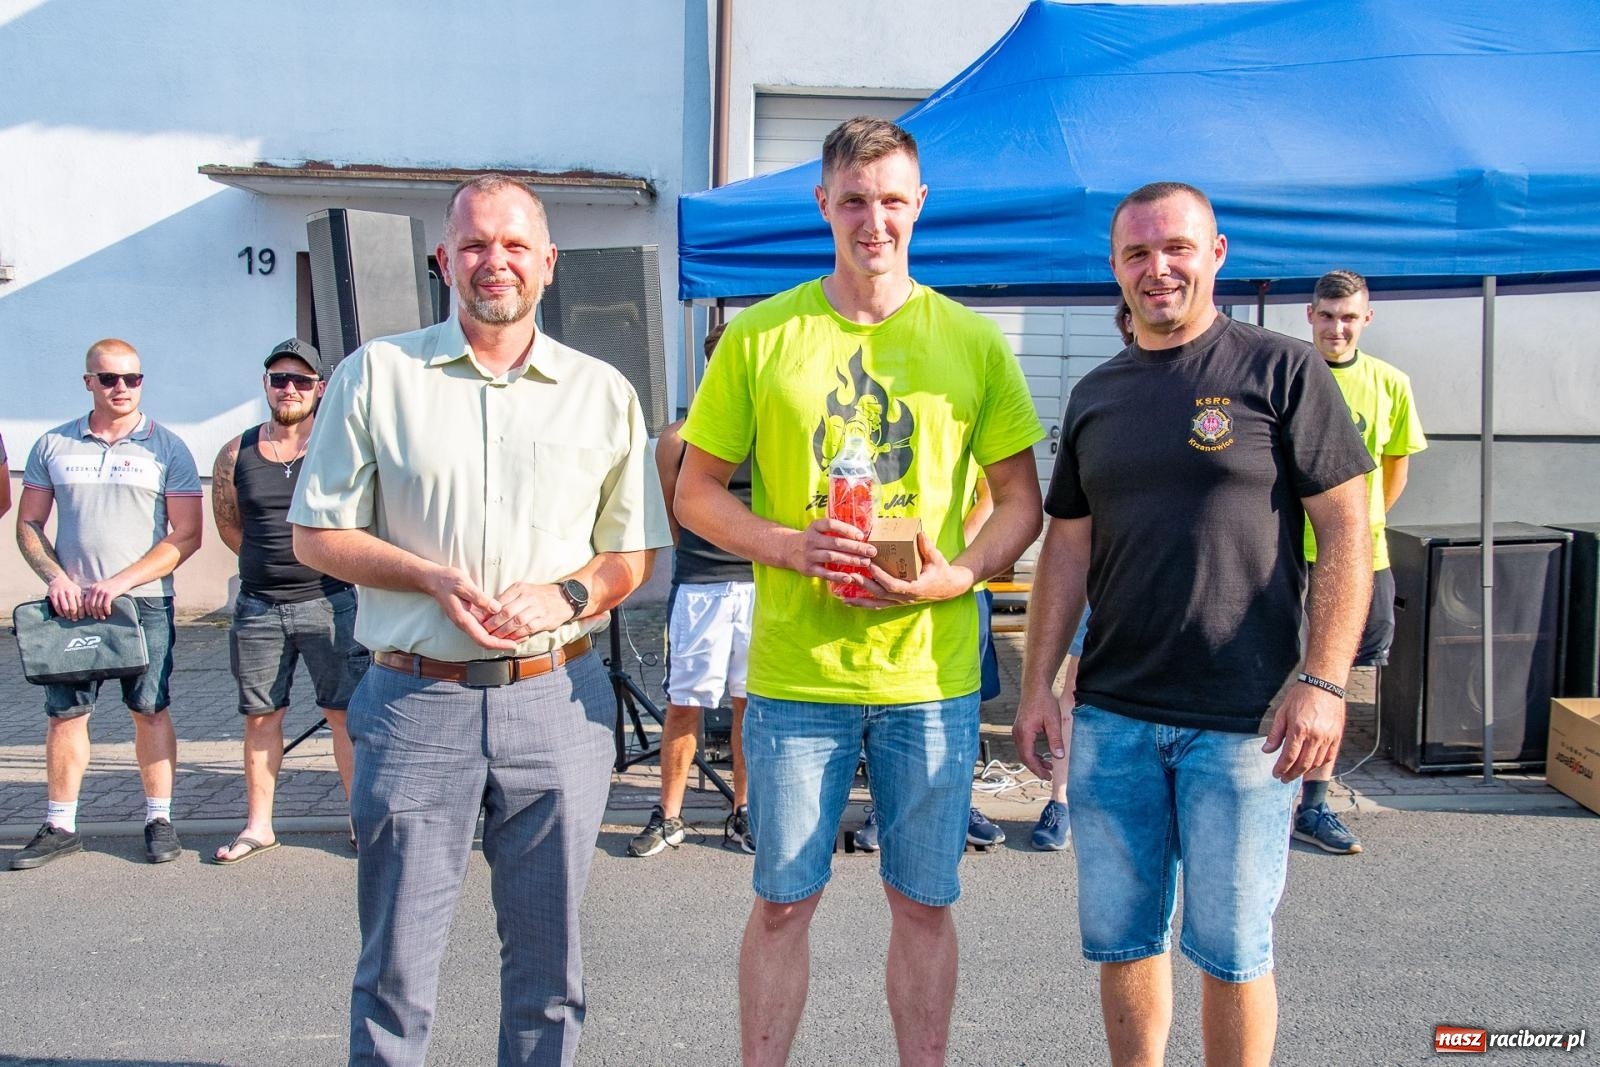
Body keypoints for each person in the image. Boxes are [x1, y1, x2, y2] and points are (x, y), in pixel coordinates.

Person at [675, 117, 1044, 1066]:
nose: (871, 220)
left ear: (919, 205)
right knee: (783, 900)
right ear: (823, 206)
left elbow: (1020, 502)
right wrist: (790, 546)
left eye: (890, 199)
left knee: (924, 903)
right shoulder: (762, 334)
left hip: (930, 676)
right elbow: (696, 491)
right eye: (852, 200)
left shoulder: (972, 340)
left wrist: (957, 576)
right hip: (799, 677)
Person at [288, 174, 670, 1066]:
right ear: (442, 260)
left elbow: (631, 555)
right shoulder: (376, 376)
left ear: (547, 263)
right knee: (395, 972)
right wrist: (424, 575)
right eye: (472, 245)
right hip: (417, 703)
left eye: (511, 245)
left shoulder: (602, 392)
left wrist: (567, 596)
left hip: (556, 701)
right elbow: (315, 534)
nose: (491, 261)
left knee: (550, 970)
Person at [1014, 182, 1374, 1066]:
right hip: (1114, 715)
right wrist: (1037, 685)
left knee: (1233, 948)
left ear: (1216, 254)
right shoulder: (1097, 394)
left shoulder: (1282, 370)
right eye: (1137, 254)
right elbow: (1067, 547)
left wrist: (1324, 680)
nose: (1157, 268)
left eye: (1176, 247)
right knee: (1124, 941)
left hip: (1246, 721)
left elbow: (1348, 531)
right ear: (1115, 268)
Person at [11, 339, 203, 870]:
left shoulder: (168, 448)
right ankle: (60, 825)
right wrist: (54, 577)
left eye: (133, 379)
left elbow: (186, 536)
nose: (122, 388)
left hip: (143, 605)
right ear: (88, 383)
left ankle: (159, 820)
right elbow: (29, 525)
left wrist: (120, 582)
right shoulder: (52, 444)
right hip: (70, 607)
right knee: (66, 716)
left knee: (151, 710)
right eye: (110, 378)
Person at [211, 338, 368, 864]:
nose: (290, 389)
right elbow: (231, 525)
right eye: (280, 379)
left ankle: (357, 819)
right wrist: (269, 564)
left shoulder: (335, 447)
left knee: (343, 714)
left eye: (301, 381)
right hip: (258, 607)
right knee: (261, 716)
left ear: (319, 389)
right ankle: (259, 826)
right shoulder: (236, 453)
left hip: (330, 602)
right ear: (266, 385)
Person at [1296, 269, 1427, 855]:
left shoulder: (1390, 383)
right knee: (1274, 670)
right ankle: (1259, 788)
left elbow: (1393, 469)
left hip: (1355, 559)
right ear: (1310, 315)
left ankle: (1315, 802)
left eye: (1348, 317)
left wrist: (1353, 531)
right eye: (1327, 316)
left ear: (1366, 319)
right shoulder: (1289, 375)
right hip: (1279, 553)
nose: (1337, 328)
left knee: (1335, 676)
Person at [629, 321, 756, 857]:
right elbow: (671, 516)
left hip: (761, 585)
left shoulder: (771, 431)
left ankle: (744, 811)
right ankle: (671, 815)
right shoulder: (678, 437)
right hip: (701, 586)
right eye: (723, 356)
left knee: (751, 704)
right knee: (684, 705)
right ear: (710, 364)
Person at [1026, 297, 1135, 853]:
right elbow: (1067, 521)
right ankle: (1060, 801)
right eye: (1130, 322)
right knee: (1075, 690)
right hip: (1099, 578)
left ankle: (1111, 800)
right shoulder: (1099, 397)